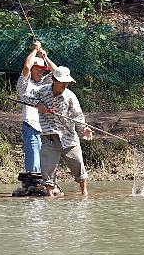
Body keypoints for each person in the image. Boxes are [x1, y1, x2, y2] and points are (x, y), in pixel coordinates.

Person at [26, 66, 93, 197]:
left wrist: (84, 128)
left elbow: (78, 116)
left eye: (66, 83)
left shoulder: (70, 96)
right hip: (49, 136)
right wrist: (38, 104)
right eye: (62, 82)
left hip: (69, 137)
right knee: (48, 168)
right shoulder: (41, 91)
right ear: (53, 80)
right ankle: (50, 195)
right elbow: (26, 96)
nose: (64, 85)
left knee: (78, 164)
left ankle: (84, 193)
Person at [16, 41, 57, 173]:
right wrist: (35, 50)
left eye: (42, 70)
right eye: (37, 69)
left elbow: (57, 72)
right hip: (31, 125)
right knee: (33, 158)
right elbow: (27, 65)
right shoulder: (24, 82)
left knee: (45, 158)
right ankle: (32, 183)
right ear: (32, 70)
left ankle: (43, 183)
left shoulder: (45, 82)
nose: (40, 72)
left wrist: (45, 57)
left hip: (45, 126)